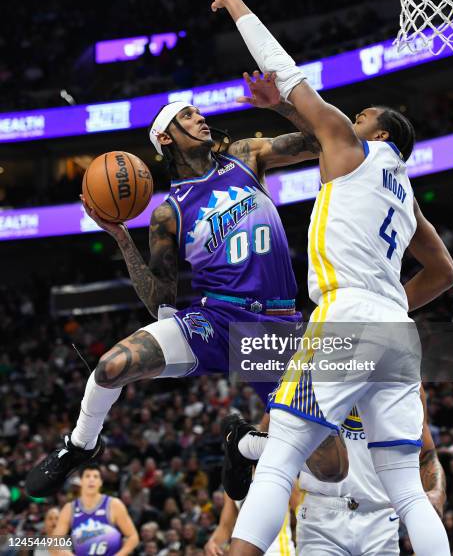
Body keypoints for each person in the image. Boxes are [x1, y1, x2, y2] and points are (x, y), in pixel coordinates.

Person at [199, 0, 453, 556]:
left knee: (282, 453)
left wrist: (232, 0)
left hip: (347, 316)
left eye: (365, 114)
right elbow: (446, 272)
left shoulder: (352, 144)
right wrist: (392, 304)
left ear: (382, 133)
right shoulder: (405, 195)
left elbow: (287, 71)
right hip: (395, 325)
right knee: (408, 490)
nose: (355, 114)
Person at [26, 65, 346, 497]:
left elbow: (323, 139)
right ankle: (79, 446)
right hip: (215, 319)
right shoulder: (168, 213)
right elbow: (160, 296)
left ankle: (245, 444)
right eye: (188, 116)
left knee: (331, 469)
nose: (200, 118)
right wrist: (121, 237)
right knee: (111, 367)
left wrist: (284, 107)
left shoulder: (245, 156)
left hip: (275, 327)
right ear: (165, 138)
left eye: (199, 113)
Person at [228, 387, 445, 555]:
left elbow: (427, 453)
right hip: (322, 513)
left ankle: (245, 443)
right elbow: (274, 433)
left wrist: (437, 490)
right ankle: (244, 443)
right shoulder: (318, 360)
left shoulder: (404, 380)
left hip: (380, 516)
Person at [52, 464, 139, 556]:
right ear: (81, 481)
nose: (91, 480)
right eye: (87, 476)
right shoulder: (69, 509)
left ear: (101, 482)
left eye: (95, 476)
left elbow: (133, 537)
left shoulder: (114, 505)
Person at [205, 489, 300, 556]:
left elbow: (302, 517)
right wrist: (212, 542)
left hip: (279, 552)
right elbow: (225, 527)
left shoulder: (285, 470)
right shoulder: (233, 480)